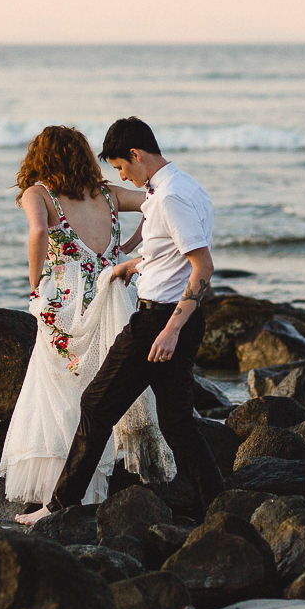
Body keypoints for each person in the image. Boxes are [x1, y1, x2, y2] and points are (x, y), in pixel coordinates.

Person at [20, 117, 226, 525]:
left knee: (96, 404)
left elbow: (203, 268)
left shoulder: (169, 198)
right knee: (178, 421)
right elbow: (169, 247)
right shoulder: (186, 187)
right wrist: (133, 262)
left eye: (119, 167)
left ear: (135, 154)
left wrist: (169, 330)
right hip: (177, 317)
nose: (120, 177)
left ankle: (59, 506)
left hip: (160, 323)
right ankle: (219, 506)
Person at [0, 125, 171, 522]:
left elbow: (39, 231)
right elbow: (154, 201)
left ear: (39, 157)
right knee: (103, 385)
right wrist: (127, 250)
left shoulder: (37, 193)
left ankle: (56, 491)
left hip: (65, 298)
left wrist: (34, 283)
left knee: (60, 391)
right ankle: (91, 486)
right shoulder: (106, 193)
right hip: (112, 293)